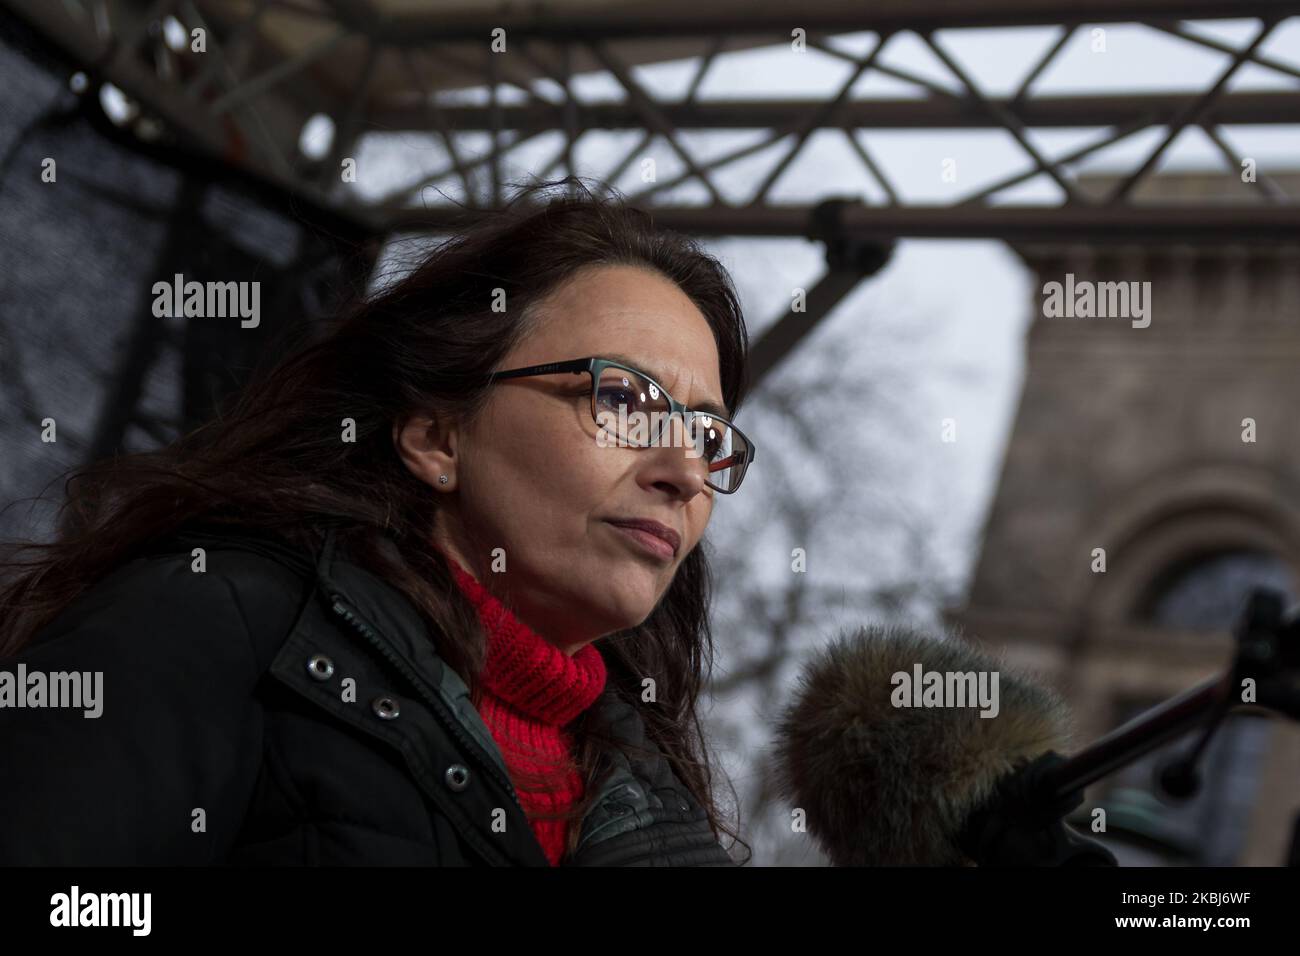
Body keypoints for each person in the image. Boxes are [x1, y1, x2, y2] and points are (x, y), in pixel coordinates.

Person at [0, 177, 756, 866]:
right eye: (623, 400)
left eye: (709, 438)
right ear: (437, 436)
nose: (685, 473)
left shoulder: (664, 808)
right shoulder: (211, 626)